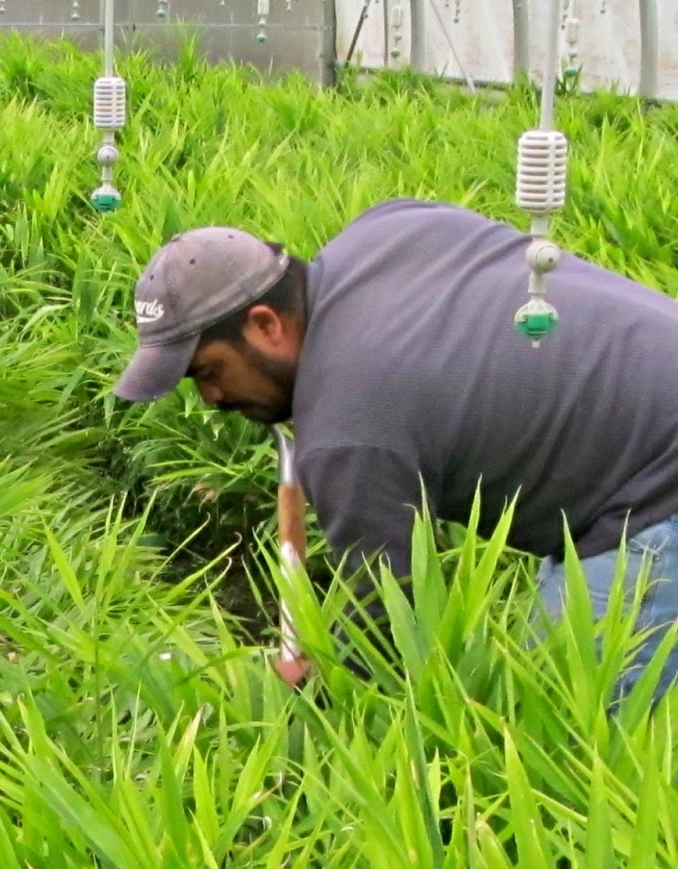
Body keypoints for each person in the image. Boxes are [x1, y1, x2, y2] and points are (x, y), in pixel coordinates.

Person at [111, 198, 678, 706]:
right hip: (645, 428)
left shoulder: (348, 425)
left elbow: (392, 619)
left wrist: (319, 688)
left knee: (554, 729)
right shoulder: (385, 229)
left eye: (210, 371)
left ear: (265, 325)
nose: (213, 399)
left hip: (656, 494)